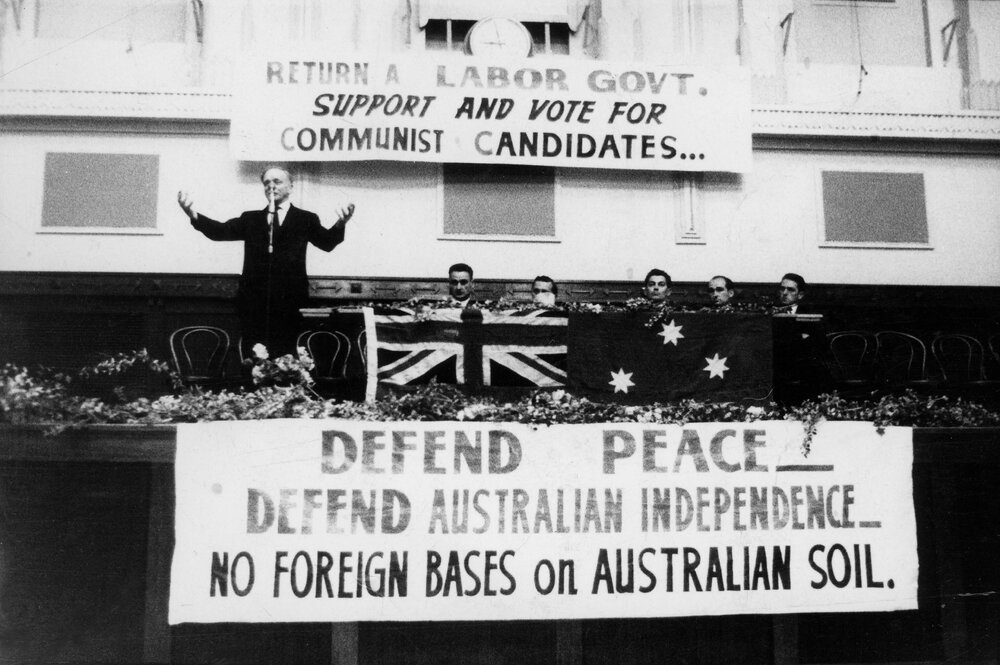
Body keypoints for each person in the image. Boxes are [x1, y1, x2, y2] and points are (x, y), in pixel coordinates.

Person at [177, 166, 355, 357]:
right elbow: (219, 231)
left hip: (290, 301)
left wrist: (340, 224)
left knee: (286, 355)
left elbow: (327, 243)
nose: (271, 186)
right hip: (254, 302)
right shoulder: (250, 219)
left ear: (291, 186)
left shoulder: (306, 219)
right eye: (266, 183)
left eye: (277, 182)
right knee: (254, 355)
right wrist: (192, 214)